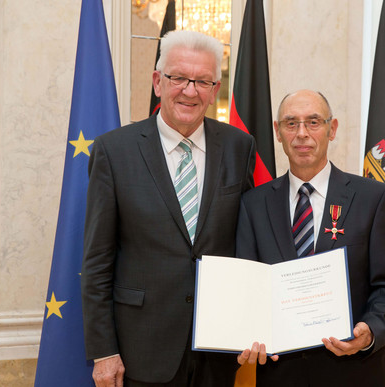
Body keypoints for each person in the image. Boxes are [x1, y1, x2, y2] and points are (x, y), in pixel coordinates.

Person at [81, 30, 256, 387]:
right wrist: (104, 351)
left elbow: (247, 245)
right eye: (179, 78)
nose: (190, 91)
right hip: (140, 351)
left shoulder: (240, 147)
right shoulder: (114, 152)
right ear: (158, 82)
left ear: (215, 89)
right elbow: (97, 261)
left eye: (203, 81)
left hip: (218, 351)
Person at [235, 89, 385, 386]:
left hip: (354, 372)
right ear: (278, 132)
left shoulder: (373, 198)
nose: (302, 133)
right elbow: (246, 289)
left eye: (313, 122)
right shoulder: (253, 204)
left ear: (332, 129)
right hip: (280, 375)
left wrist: (369, 330)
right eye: (291, 123)